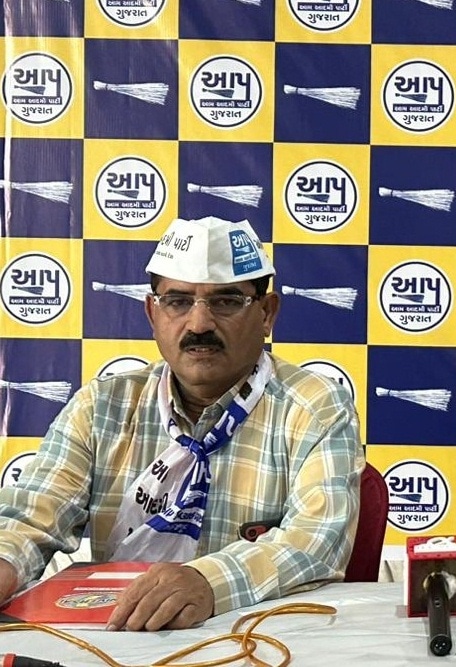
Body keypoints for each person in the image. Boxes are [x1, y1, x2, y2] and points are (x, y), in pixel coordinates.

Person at [0, 216, 364, 630]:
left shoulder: (316, 407)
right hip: (117, 637)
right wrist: (6, 561)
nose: (199, 324)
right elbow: (30, 516)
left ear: (267, 313)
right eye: (177, 301)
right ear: (152, 313)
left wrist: (207, 583)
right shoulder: (101, 406)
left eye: (226, 302)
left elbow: (314, 541)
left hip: (255, 642)